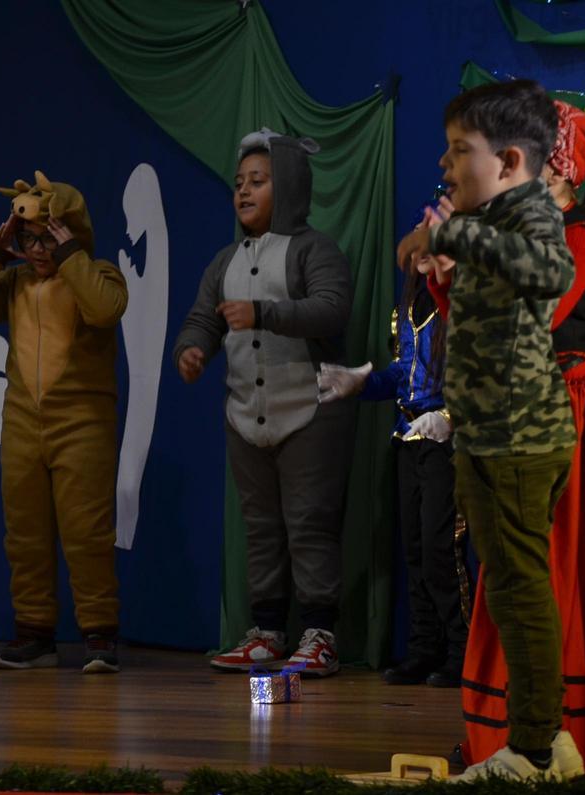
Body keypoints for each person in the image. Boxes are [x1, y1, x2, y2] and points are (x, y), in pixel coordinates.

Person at [459, 100, 585, 772]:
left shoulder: (579, 239)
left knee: (554, 567)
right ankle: (511, 731)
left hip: (567, 413)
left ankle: (551, 734)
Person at [395, 79, 582, 781]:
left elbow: (552, 270)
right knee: (508, 589)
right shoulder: (496, 224)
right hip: (490, 435)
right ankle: (543, 739)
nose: (445, 165)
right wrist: (447, 267)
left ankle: (535, 748)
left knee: (519, 591)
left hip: (518, 437)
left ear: (508, 161)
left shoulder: (531, 217)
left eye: (458, 150)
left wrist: (453, 234)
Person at [174, 128, 354, 677]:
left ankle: (320, 634)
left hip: (308, 411)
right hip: (245, 417)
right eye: (239, 183)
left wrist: (264, 312)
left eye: (258, 181)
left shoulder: (314, 249)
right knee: (261, 527)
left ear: (291, 185)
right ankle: (268, 632)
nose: (244, 191)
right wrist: (192, 350)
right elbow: (203, 317)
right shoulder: (225, 260)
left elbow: (332, 309)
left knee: (309, 523)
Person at [0, 171, 127, 674]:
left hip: (82, 423)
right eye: (28, 239)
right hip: (22, 424)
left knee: (86, 532)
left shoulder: (99, 274)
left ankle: (99, 633)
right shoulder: (15, 282)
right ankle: (34, 634)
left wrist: (70, 252)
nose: (36, 250)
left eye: (46, 237)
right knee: (24, 534)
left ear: (70, 232)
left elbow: (104, 310)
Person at [317, 267, 465, 688]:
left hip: (447, 440)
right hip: (408, 437)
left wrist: (451, 416)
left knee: (441, 549)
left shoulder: (465, 300)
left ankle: (462, 651)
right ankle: (424, 648)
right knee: (414, 548)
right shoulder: (409, 304)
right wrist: (362, 383)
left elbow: (481, 376)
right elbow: (403, 372)